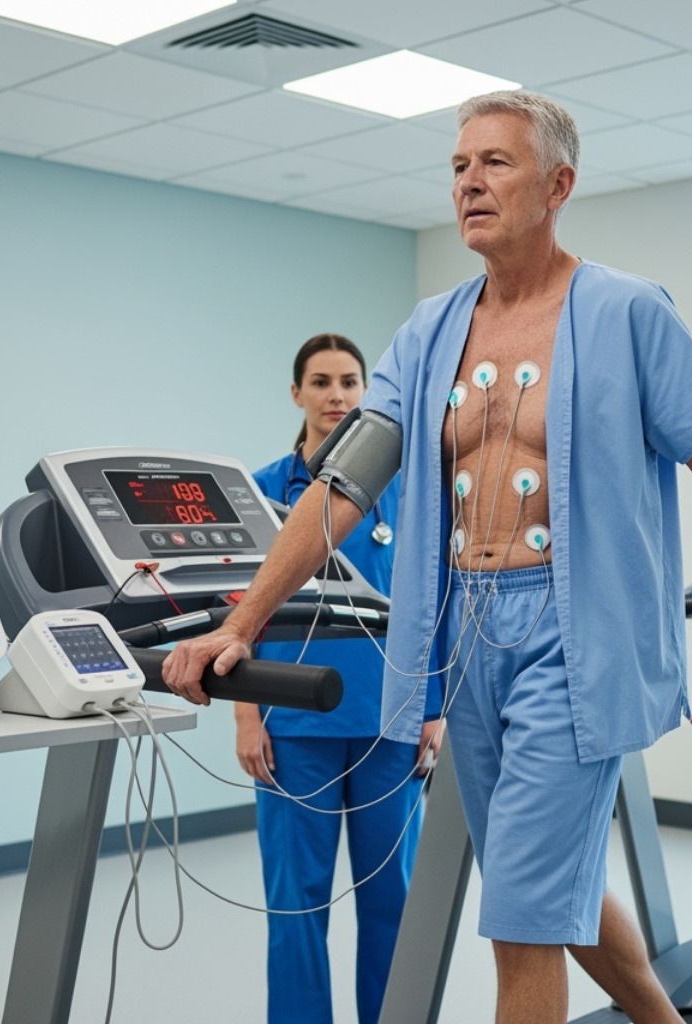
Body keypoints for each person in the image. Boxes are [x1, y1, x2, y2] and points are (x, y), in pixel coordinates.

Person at [166, 92, 692, 1024]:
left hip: (573, 634)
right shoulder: (430, 330)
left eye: (495, 163)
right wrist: (238, 624)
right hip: (464, 636)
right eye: (457, 166)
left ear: (558, 184)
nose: (469, 182)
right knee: (543, 883)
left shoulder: (628, 312)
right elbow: (340, 488)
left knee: (519, 920)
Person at [243, 333, 441, 1024]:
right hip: (293, 725)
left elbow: (430, 597)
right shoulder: (266, 490)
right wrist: (245, 715)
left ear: (366, 392)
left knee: (393, 901)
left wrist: (435, 707)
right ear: (296, 393)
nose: (336, 395)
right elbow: (241, 609)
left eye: (350, 382)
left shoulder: (403, 489)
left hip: (390, 717)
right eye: (321, 382)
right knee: (295, 902)